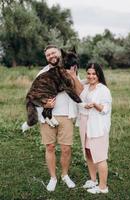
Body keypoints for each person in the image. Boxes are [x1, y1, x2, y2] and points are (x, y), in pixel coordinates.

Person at [37, 45, 82, 192]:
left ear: (59, 54)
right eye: (48, 54)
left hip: (66, 115)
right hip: (48, 116)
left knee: (66, 148)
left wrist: (74, 76)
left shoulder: (70, 69)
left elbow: (80, 92)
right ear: (46, 58)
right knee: (49, 147)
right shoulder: (42, 73)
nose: (51, 56)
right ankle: (53, 178)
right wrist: (45, 103)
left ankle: (65, 175)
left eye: (53, 52)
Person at [77, 63, 112, 194]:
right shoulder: (85, 87)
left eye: (94, 74)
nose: (91, 76)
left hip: (97, 126)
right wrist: (84, 105)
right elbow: (78, 99)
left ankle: (103, 187)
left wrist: (95, 105)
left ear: (99, 75)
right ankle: (93, 180)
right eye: (89, 73)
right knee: (88, 152)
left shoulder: (103, 89)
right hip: (85, 124)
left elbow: (106, 109)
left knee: (100, 156)